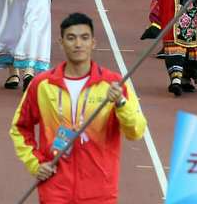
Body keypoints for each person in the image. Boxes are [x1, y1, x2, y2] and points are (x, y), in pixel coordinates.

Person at [10, 12, 146, 204]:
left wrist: (120, 103)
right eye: (71, 38)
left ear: (93, 42)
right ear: (61, 42)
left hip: (100, 192)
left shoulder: (113, 84)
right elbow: (19, 127)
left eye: (84, 37)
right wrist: (36, 163)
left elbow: (136, 131)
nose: (78, 44)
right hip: (55, 189)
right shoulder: (43, 84)